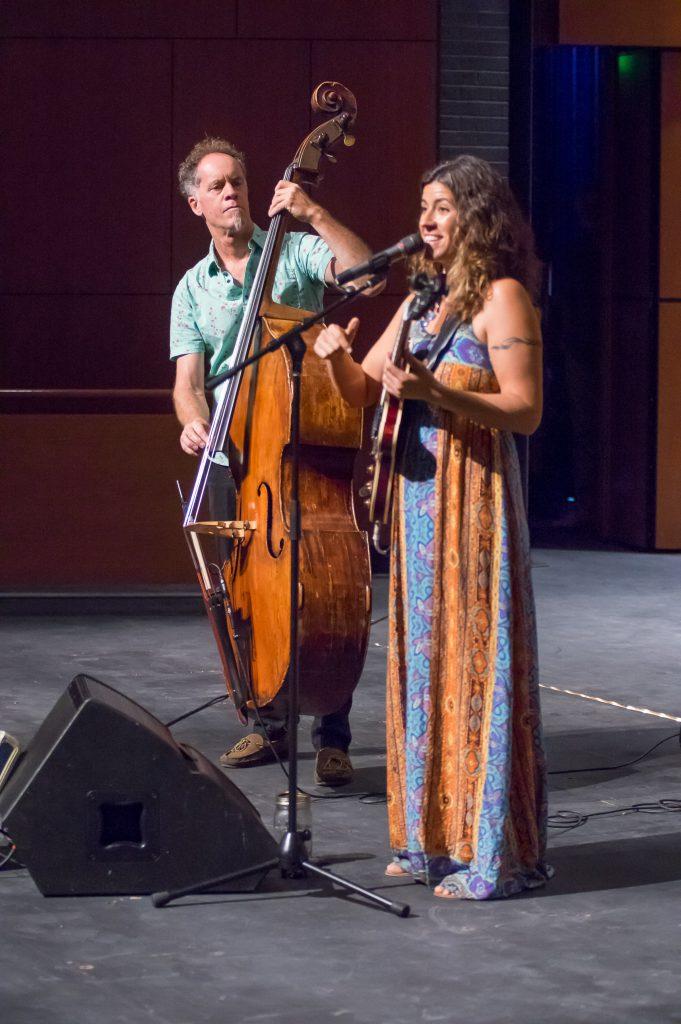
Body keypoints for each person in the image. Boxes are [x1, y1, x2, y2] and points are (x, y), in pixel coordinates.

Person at [313, 155, 551, 897]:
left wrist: (438, 392)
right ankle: (427, 837)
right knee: (422, 667)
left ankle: (491, 854)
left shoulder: (502, 298)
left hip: (474, 502)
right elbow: (360, 391)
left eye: (442, 205)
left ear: (476, 218)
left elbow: (526, 411)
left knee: (473, 665)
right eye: (422, 205)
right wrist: (335, 359)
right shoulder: (420, 302)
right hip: (417, 509)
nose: (426, 218)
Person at [170, 136, 378, 785]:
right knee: (249, 593)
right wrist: (192, 421)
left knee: (324, 585)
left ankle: (332, 732)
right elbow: (187, 382)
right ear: (194, 202)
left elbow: (366, 273)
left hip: (303, 438)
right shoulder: (190, 289)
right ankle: (268, 724)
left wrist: (313, 212)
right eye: (217, 184)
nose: (231, 191)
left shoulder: (290, 251)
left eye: (238, 179)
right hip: (239, 454)